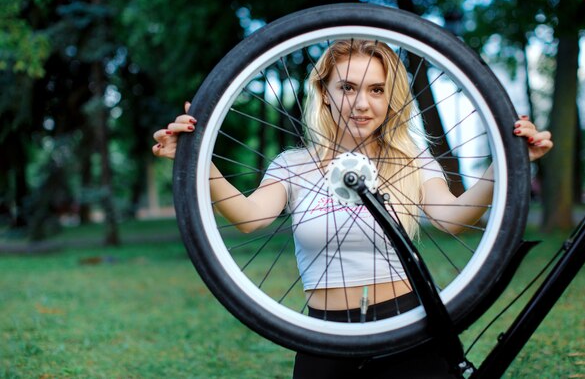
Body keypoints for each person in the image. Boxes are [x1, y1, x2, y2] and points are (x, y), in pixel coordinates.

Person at [153, 40, 553, 378]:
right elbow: (248, 217)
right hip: (321, 335)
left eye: (377, 90)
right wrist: (196, 158)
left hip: (410, 327)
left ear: (390, 98)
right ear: (324, 92)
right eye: (347, 87)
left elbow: (451, 218)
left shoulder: (411, 160)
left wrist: (507, 162)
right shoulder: (292, 165)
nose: (362, 104)